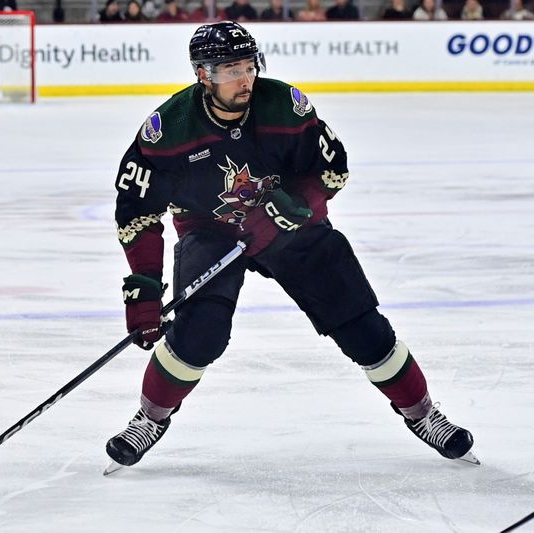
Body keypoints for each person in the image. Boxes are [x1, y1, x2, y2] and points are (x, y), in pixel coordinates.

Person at [106, 21, 478, 473]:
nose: (245, 79)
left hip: (289, 227)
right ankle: (151, 417)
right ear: (203, 75)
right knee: (198, 335)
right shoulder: (168, 131)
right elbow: (137, 212)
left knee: (362, 327)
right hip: (210, 230)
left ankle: (422, 413)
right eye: (230, 70)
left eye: (249, 66)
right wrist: (144, 289)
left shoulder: (286, 106)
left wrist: (301, 204)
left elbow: (334, 169)